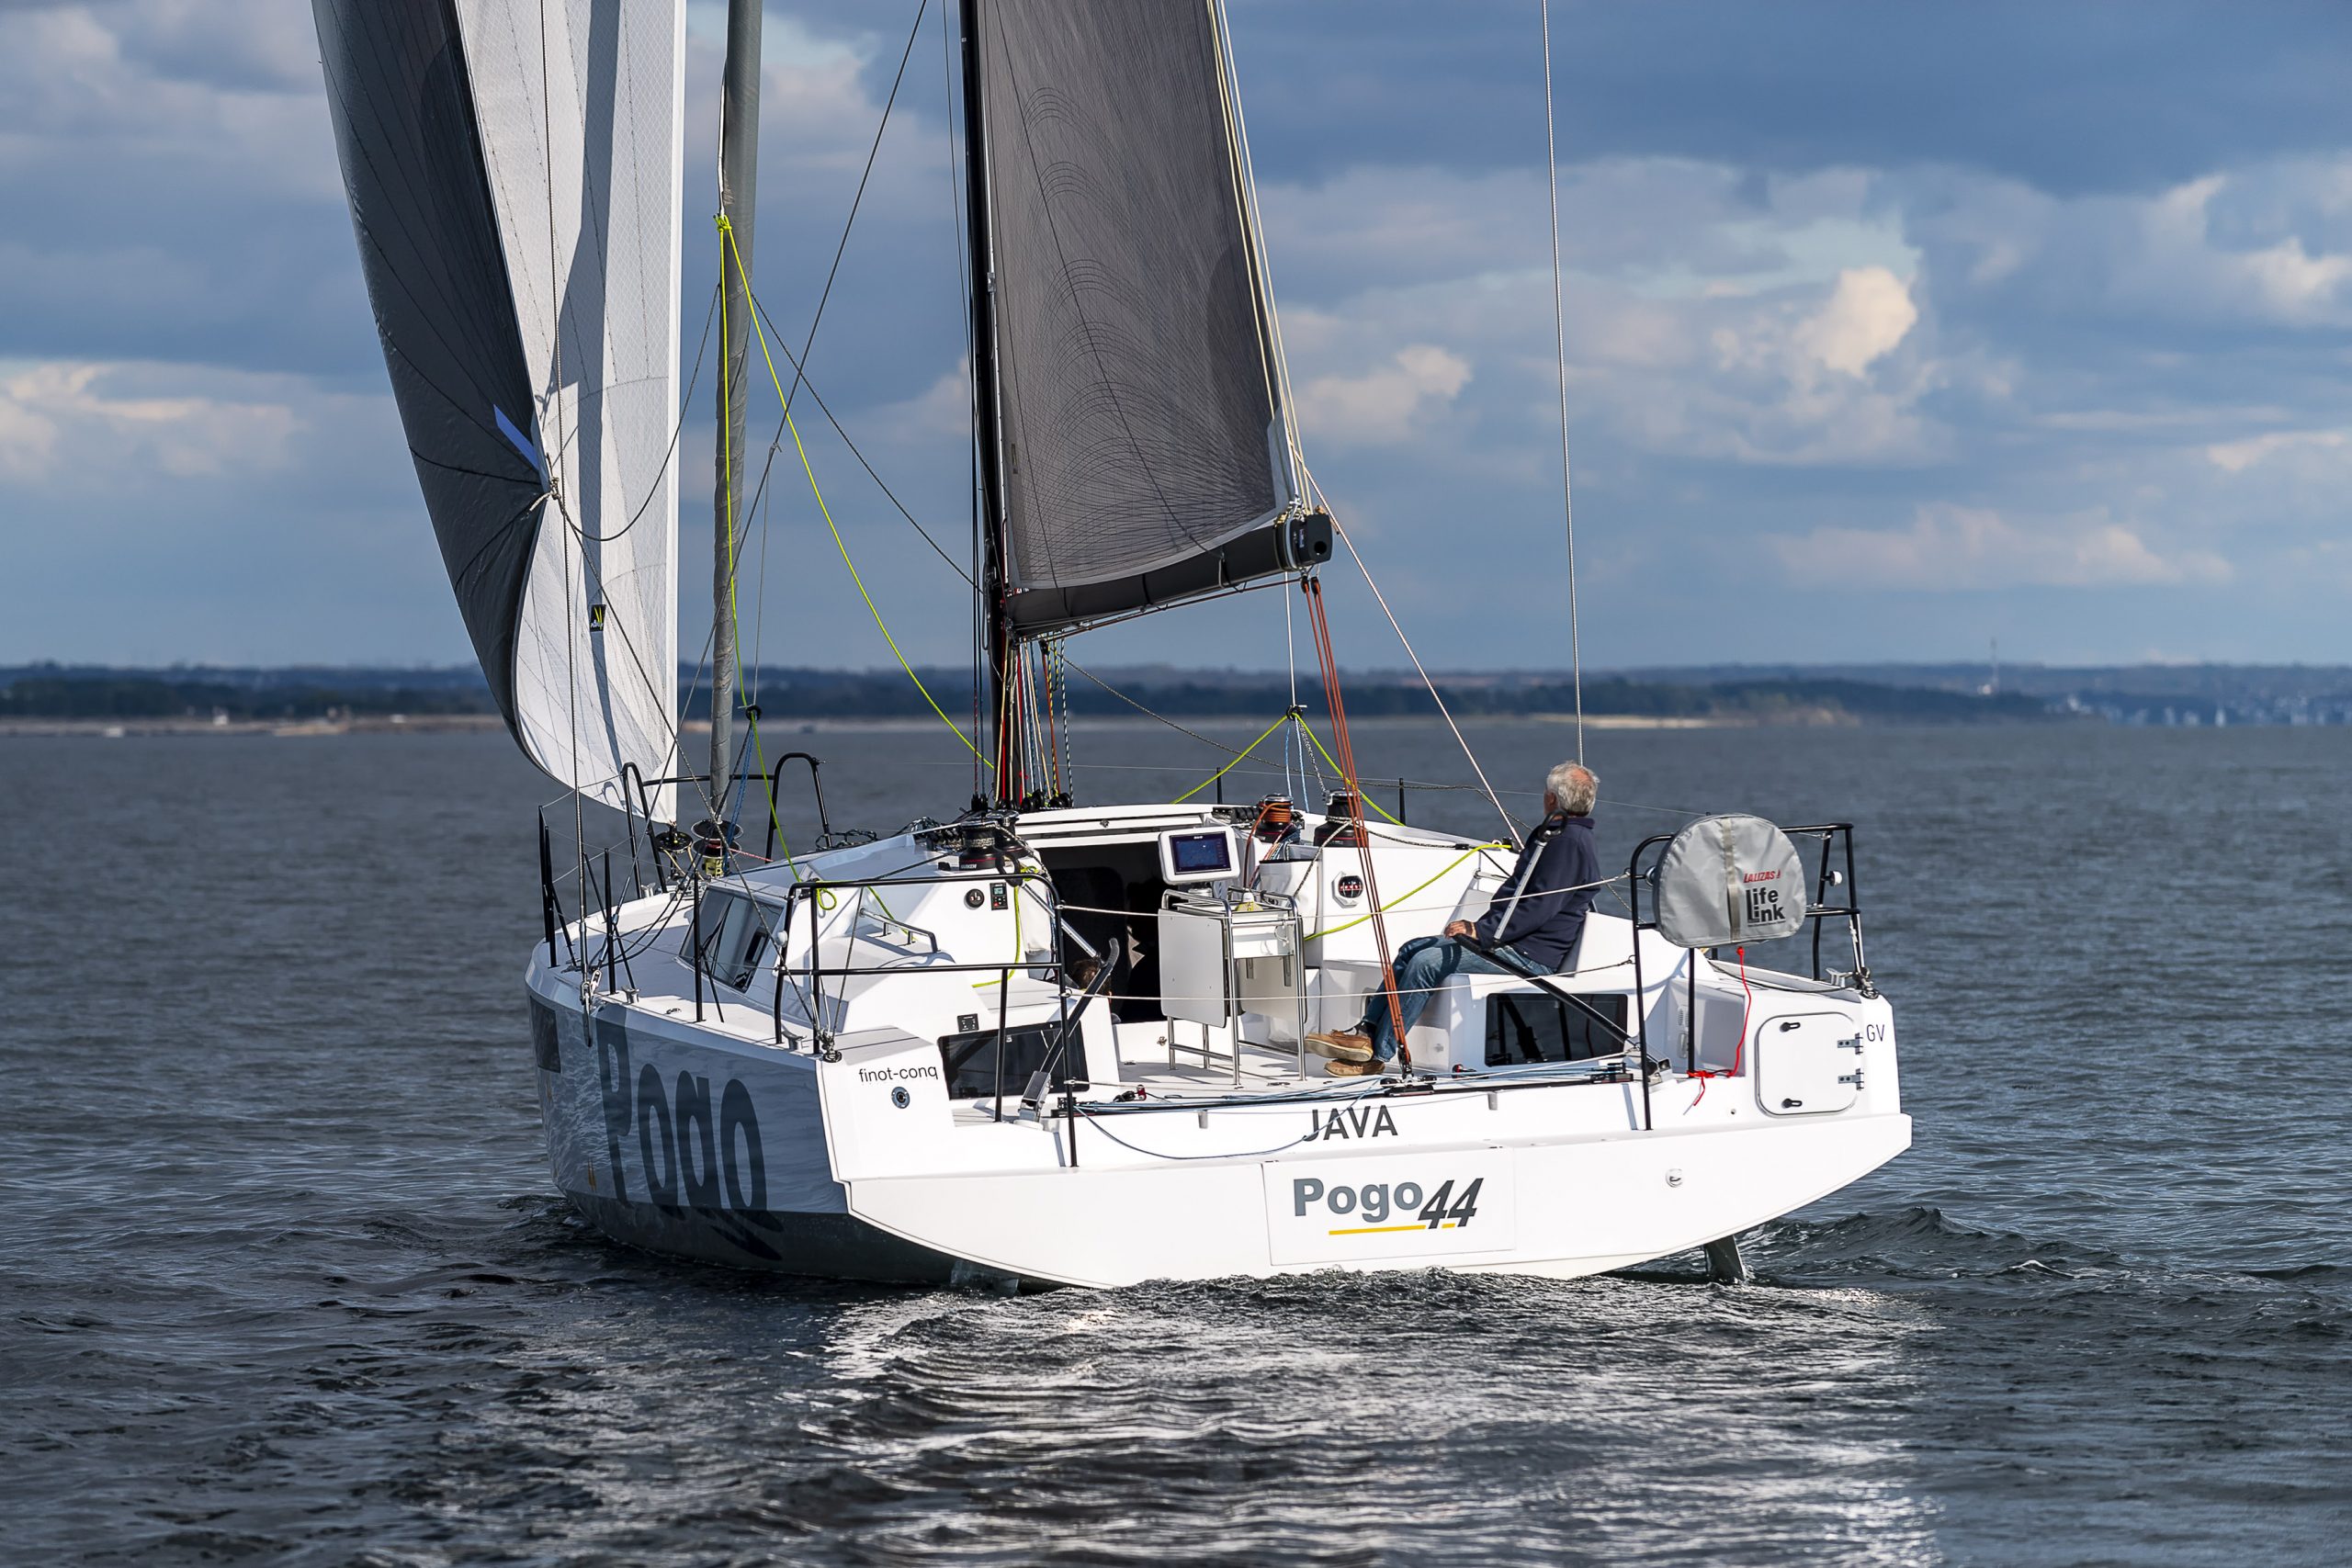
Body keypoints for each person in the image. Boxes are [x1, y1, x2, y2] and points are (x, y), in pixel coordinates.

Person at [1306, 761, 1600, 1076]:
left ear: (1552, 798)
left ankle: (1378, 1055)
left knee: (1427, 962)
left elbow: (1536, 906)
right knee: (1411, 949)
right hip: (1512, 941)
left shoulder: (1567, 843)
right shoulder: (1558, 835)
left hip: (1529, 955)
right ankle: (1364, 1036)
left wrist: (1481, 931)